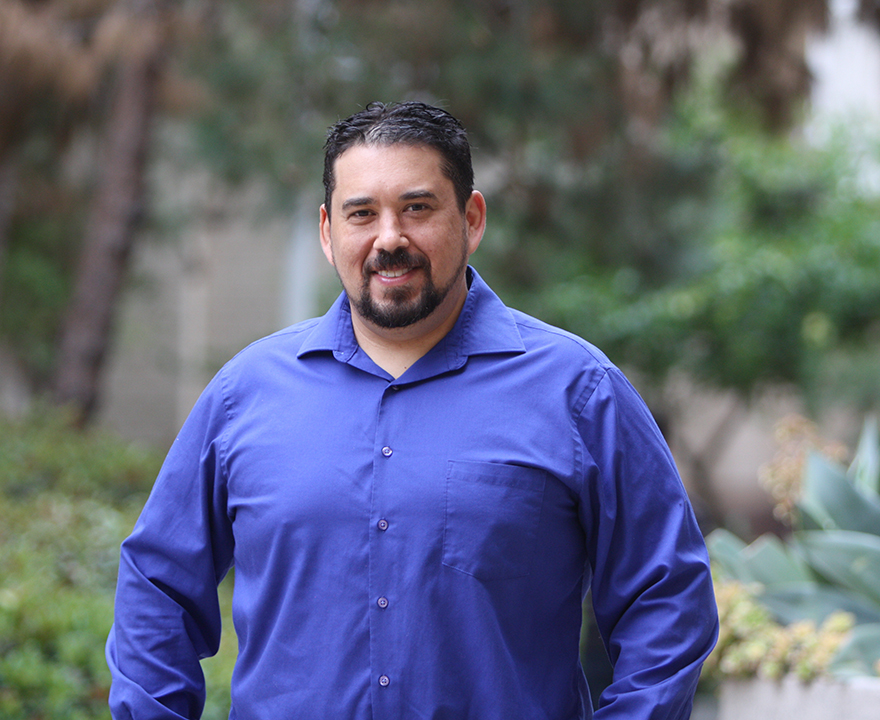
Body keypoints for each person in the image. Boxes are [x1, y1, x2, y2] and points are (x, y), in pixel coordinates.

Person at [106, 101, 719, 720]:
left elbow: (666, 597)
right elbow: (157, 586)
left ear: (471, 219)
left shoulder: (578, 392)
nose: (389, 238)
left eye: (417, 208)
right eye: (362, 213)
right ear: (328, 232)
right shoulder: (245, 394)